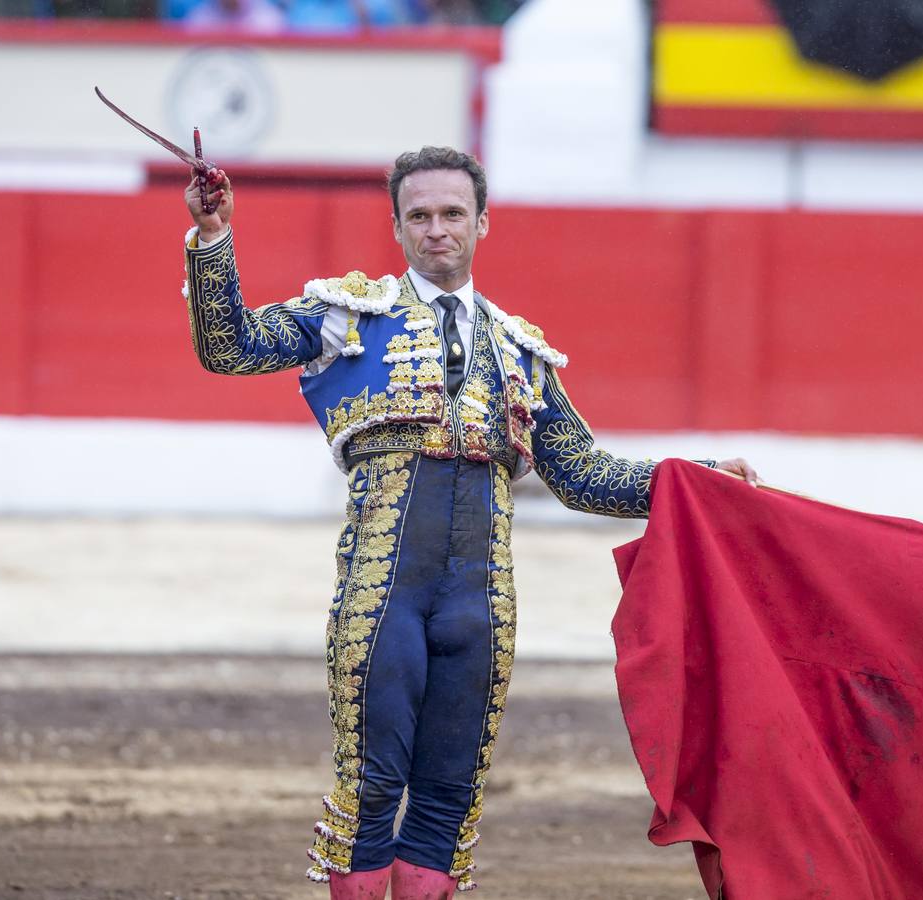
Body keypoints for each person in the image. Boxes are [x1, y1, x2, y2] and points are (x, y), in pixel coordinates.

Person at [179, 146, 759, 898]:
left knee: (450, 801)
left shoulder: (521, 352)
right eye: (419, 215)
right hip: (383, 592)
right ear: (396, 227)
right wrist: (213, 239)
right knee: (373, 786)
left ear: (482, 223)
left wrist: (695, 478)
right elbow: (229, 347)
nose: (437, 229)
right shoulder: (348, 317)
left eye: (453, 213)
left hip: (481, 603)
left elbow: (582, 474)